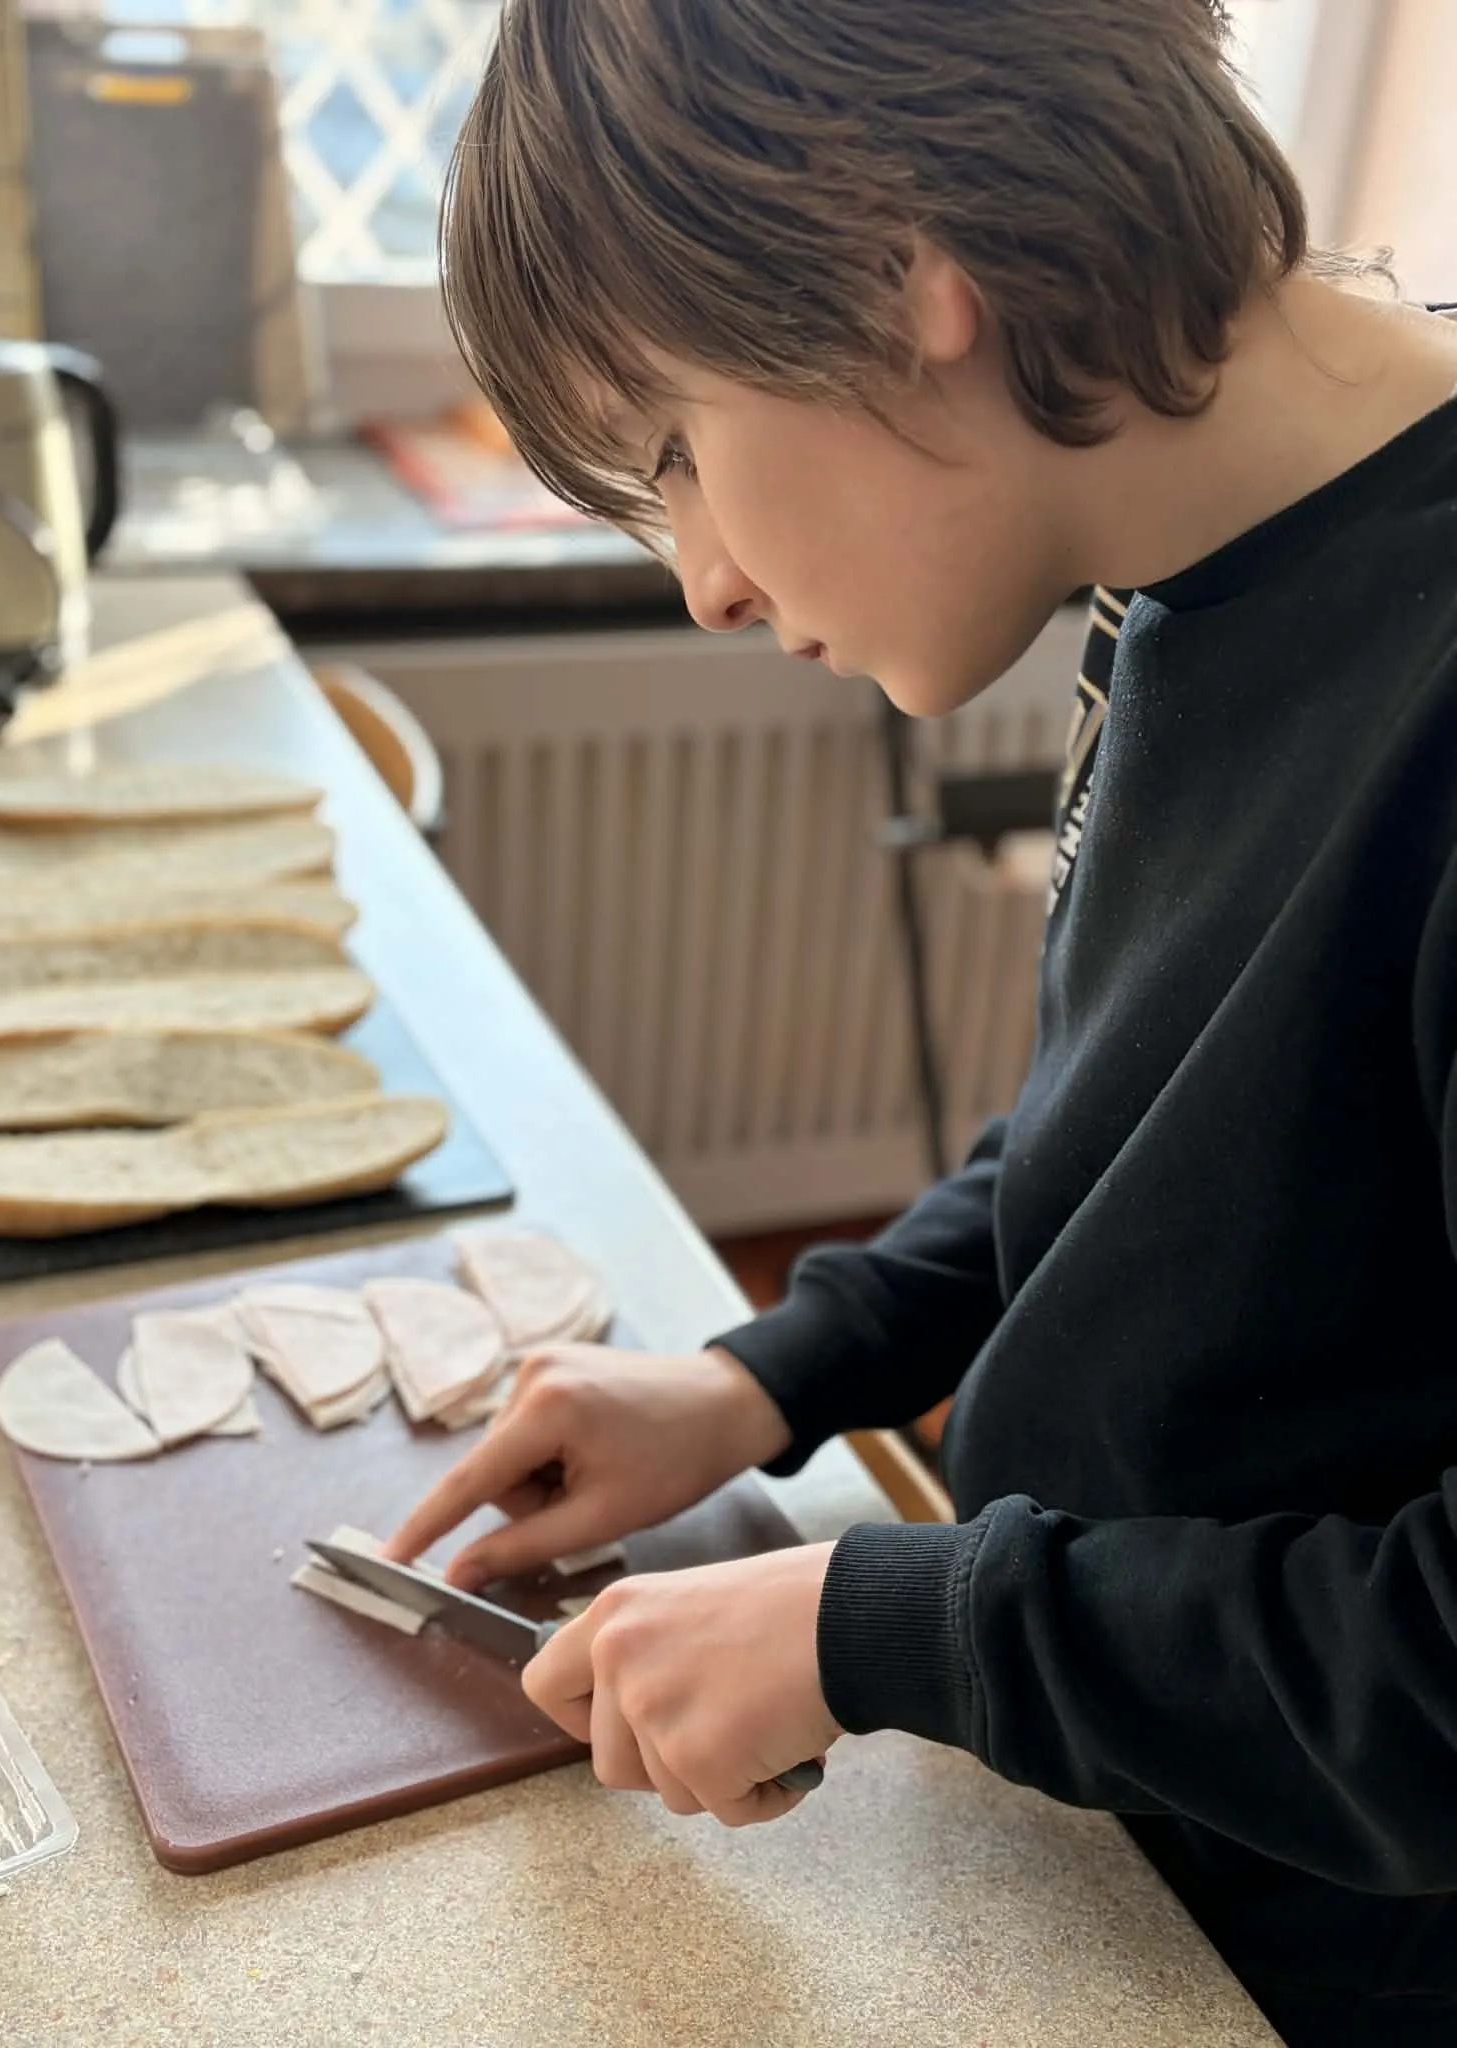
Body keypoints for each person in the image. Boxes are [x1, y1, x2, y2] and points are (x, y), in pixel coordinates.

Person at [384, 3, 1457, 2040]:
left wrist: (897, 1619)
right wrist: (777, 1373)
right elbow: (1142, 1133)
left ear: (892, 258)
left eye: (679, 452)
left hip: (1312, 1953)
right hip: (1115, 1815)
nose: (697, 581)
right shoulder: (1177, 556)